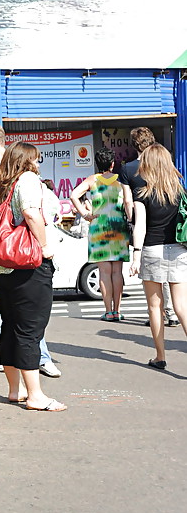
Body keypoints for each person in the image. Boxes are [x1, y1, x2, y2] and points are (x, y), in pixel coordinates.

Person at [0, 142, 67, 412]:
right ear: (27, 160)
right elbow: (30, 212)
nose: (38, 164)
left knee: (11, 326)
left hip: (1, 267)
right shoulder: (27, 179)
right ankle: (35, 395)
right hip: (28, 265)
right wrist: (44, 245)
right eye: (36, 159)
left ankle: (15, 389)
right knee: (30, 330)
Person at [129, 144, 187, 369]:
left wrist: (136, 256)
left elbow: (140, 227)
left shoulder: (142, 192)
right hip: (179, 250)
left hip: (152, 251)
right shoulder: (179, 191)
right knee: (181, 306)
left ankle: (160, 356)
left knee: (155, 307)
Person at [119, 127, 178, 328]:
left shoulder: (128, 169)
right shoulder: (165, 166)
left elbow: (128, 200)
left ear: (133, 144)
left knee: (153, 287)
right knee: (172, 279)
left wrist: (132, 220)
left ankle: (158, 319)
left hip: (147, 230)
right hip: (171, 235)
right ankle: (171, 313)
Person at [70, 148, 129, 321]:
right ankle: (117, 310)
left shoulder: (92, 180)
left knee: (104, 272)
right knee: (117, 272)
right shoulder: (120, 180)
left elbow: (74, 195)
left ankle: (108, 311)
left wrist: (85, 214)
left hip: (99, 229)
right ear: (112, 163)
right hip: (118, 227)